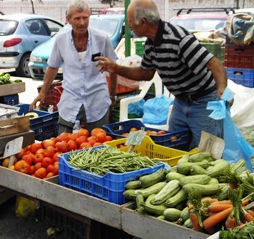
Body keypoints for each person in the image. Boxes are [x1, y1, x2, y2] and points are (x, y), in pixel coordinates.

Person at [96, 0, 228, 149]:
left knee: (206, 153)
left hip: (203, 102)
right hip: (181, 102)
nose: (129, 25)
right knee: (173, 145)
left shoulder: (178, 39)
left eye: (131, 21)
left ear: (143, 22)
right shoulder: (150, 44)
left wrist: (222, 89)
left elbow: (214, 63)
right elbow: (146, 73)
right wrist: (115, 68)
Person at [29, 0, 118, 134]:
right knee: (62, 143)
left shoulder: (102, 38)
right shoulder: (61, 39)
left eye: (85, 18)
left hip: (97, 100)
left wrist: (112, 95)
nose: (82, 23)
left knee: (98, 143)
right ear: (68, 19)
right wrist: (43, 92)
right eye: (77, 18)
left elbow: (113, 68)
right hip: (70, 99)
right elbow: (53, 67)